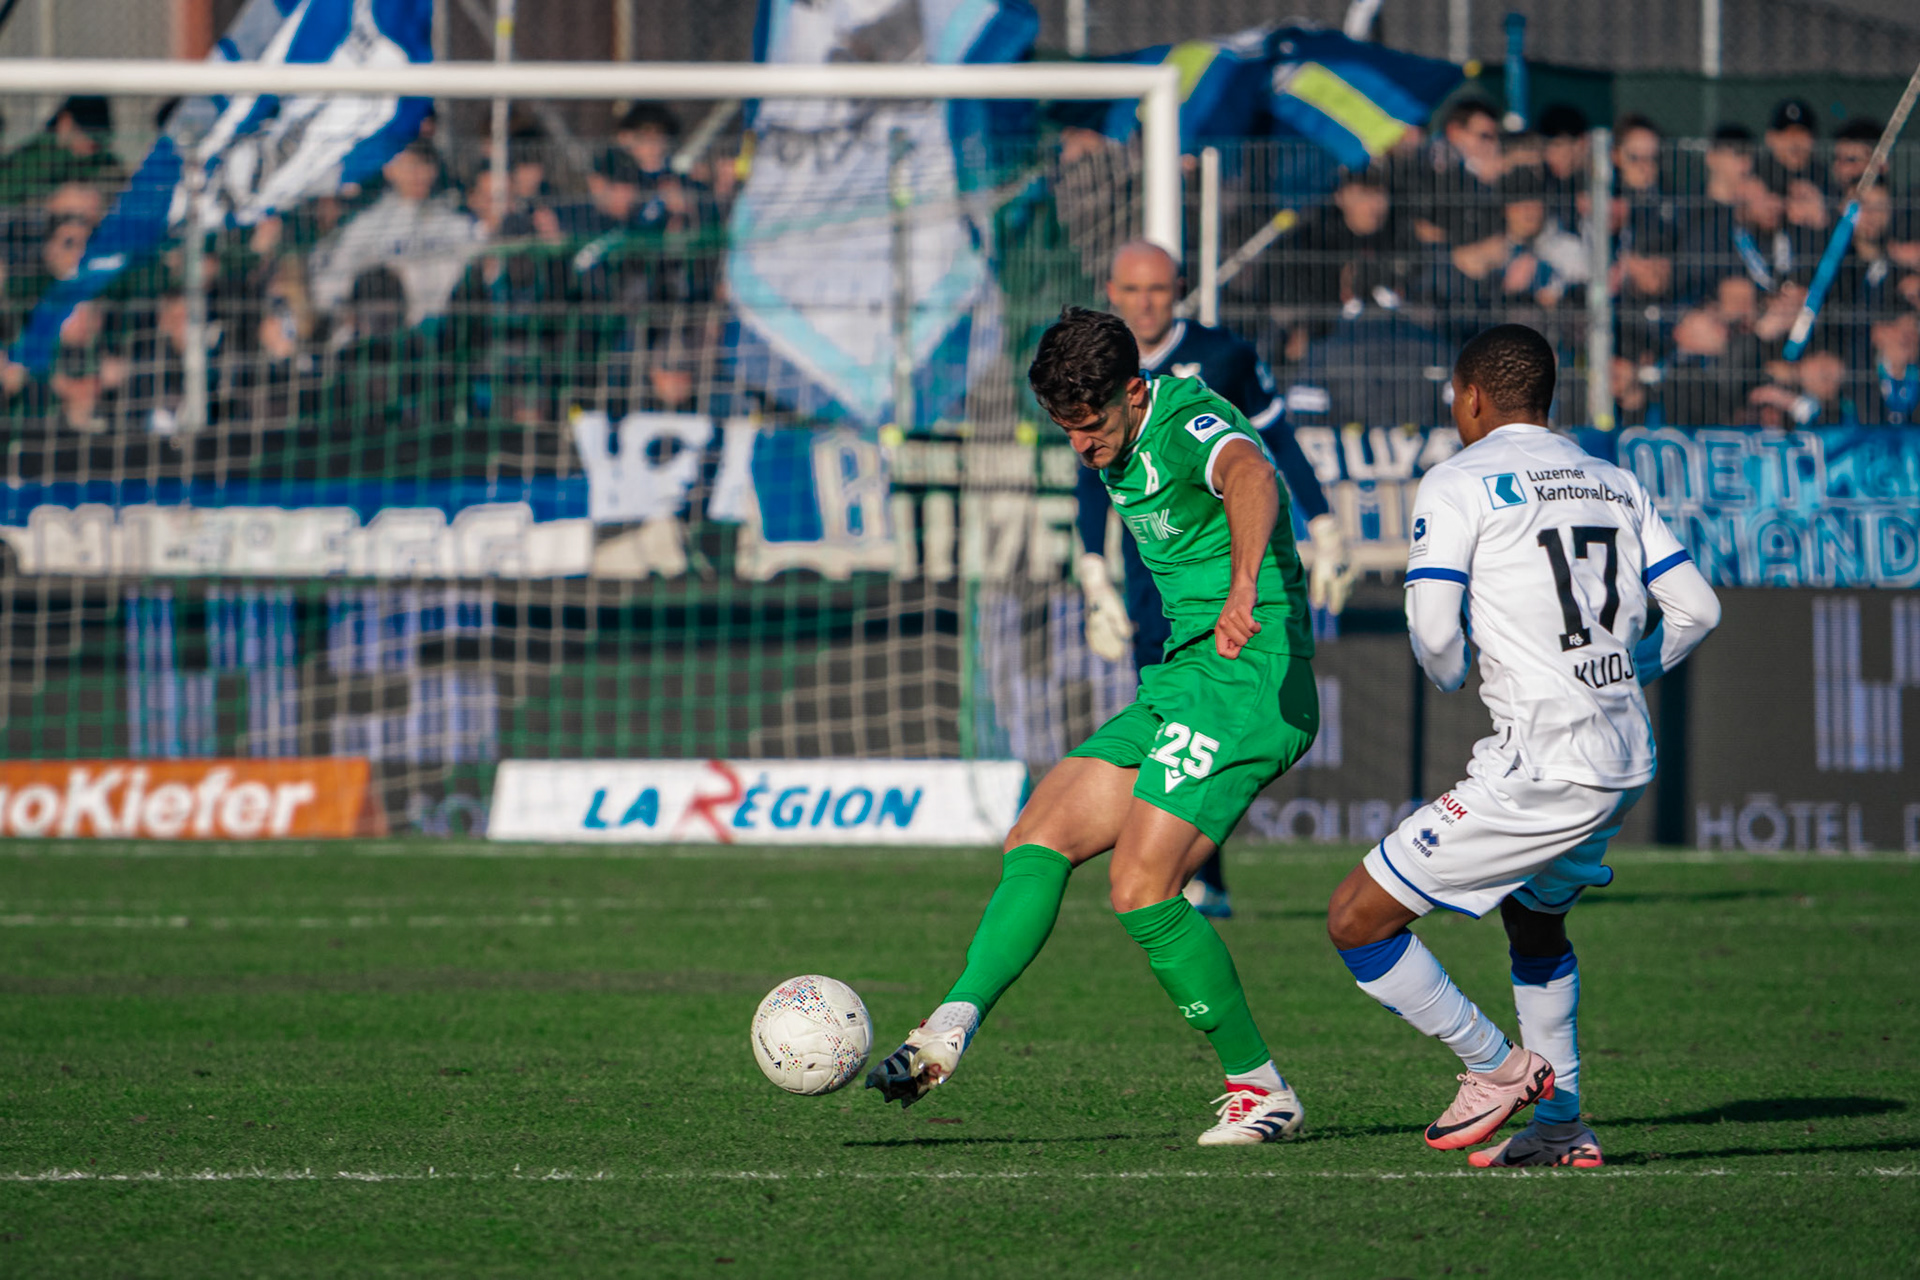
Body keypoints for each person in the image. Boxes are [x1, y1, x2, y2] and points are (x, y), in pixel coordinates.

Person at [868, 306, 1320, 1146]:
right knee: (1038, 832)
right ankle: (948, 1027)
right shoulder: (1111, 431)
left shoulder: (1189, 419)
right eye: (1065, 428)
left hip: (1249, 674)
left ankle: (1262, 1091)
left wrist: (1244, 586)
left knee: (1140, 887)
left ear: (1134, 392)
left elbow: (1253, 474)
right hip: (1183, 677)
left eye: (1091, 424)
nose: (1081, 444)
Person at [1324, 323, 1721, 1167]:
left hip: (1544, 760)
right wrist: (1618, 671)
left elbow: (1434, 629)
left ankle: (1496, 1069)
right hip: (1624, 755)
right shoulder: (1612, 480)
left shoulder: (1460, 478)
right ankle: (1562, 1129)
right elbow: (1699, 609)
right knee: (1536, 924)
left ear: (1469, 398)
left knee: (1358, 920)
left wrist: (1446, 674)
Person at [1075, 240, 1348, 919]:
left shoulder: (1222, 357)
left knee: (1210, 724)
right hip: (1148, 579)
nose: (1145, 303)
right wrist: (1091, 573)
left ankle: (1195, 875)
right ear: (1113, 292)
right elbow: (1089, 474)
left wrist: (1325, 526)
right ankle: (1196, 874)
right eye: (1132, 291)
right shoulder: (1098, 374)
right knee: (1172, 720)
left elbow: (1271, 445)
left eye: (1158, 291)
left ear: (1180, 291)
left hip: (1221, 572)